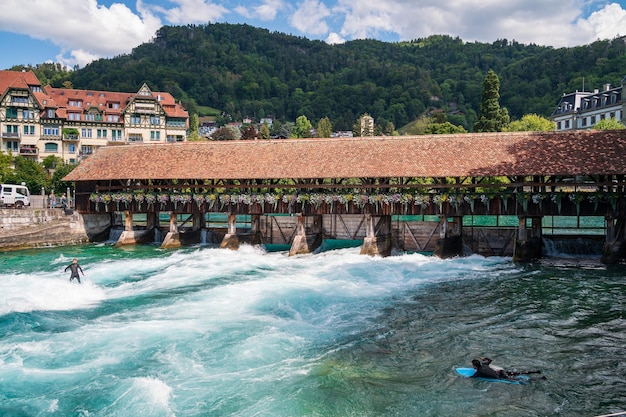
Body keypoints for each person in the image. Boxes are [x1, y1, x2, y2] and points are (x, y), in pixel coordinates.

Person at [471, 357, 543, 380]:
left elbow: (472, 377)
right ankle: (536, 372)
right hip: (501, 371)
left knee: (519, 379)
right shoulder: (484, 364)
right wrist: (485, 358)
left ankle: (540, 379)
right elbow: (490, 360)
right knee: (519, 373)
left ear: (474, 366)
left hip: (501, 376)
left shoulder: (479, 372)